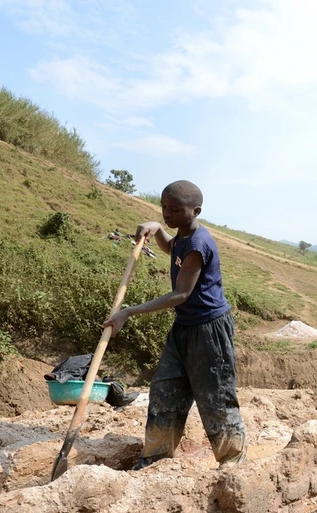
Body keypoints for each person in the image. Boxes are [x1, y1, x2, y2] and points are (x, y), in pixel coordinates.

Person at [102, 180, 246, 469]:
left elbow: (181, 294)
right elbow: (171, 247)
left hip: (209, 330)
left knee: (215, 397)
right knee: (165, 391)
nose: (168, 213)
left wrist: (128, 312)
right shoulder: (182, 236)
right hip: (184, 328)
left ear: (196, 211)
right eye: (164, 208)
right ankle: (155, 459)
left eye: (175, 210)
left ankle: (233, 462)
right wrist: (157, 228)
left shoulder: (198, 244)